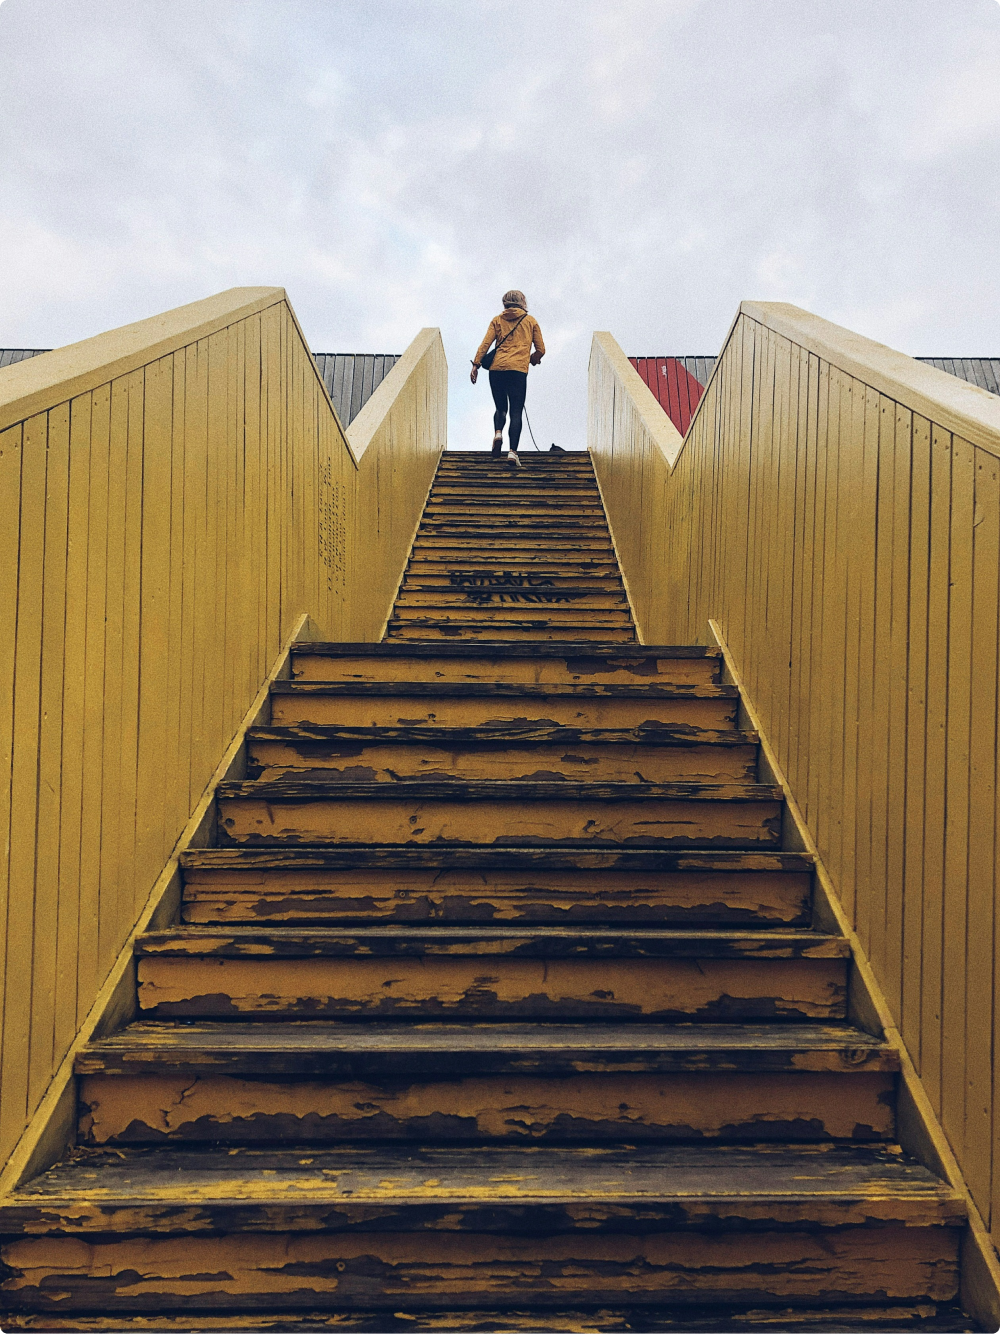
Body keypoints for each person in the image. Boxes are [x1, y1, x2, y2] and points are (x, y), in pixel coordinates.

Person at [471, 290, 545, 467]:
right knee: (516, 411)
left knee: (500, 407)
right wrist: (533, 359)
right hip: (517, 371)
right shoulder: (530, 321)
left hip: (496, 369)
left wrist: (476, 364)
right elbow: (541, 349)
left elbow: (486, 344)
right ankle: (512, 452)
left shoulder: (497, 320)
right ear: (522, 302)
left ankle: (498, 433)